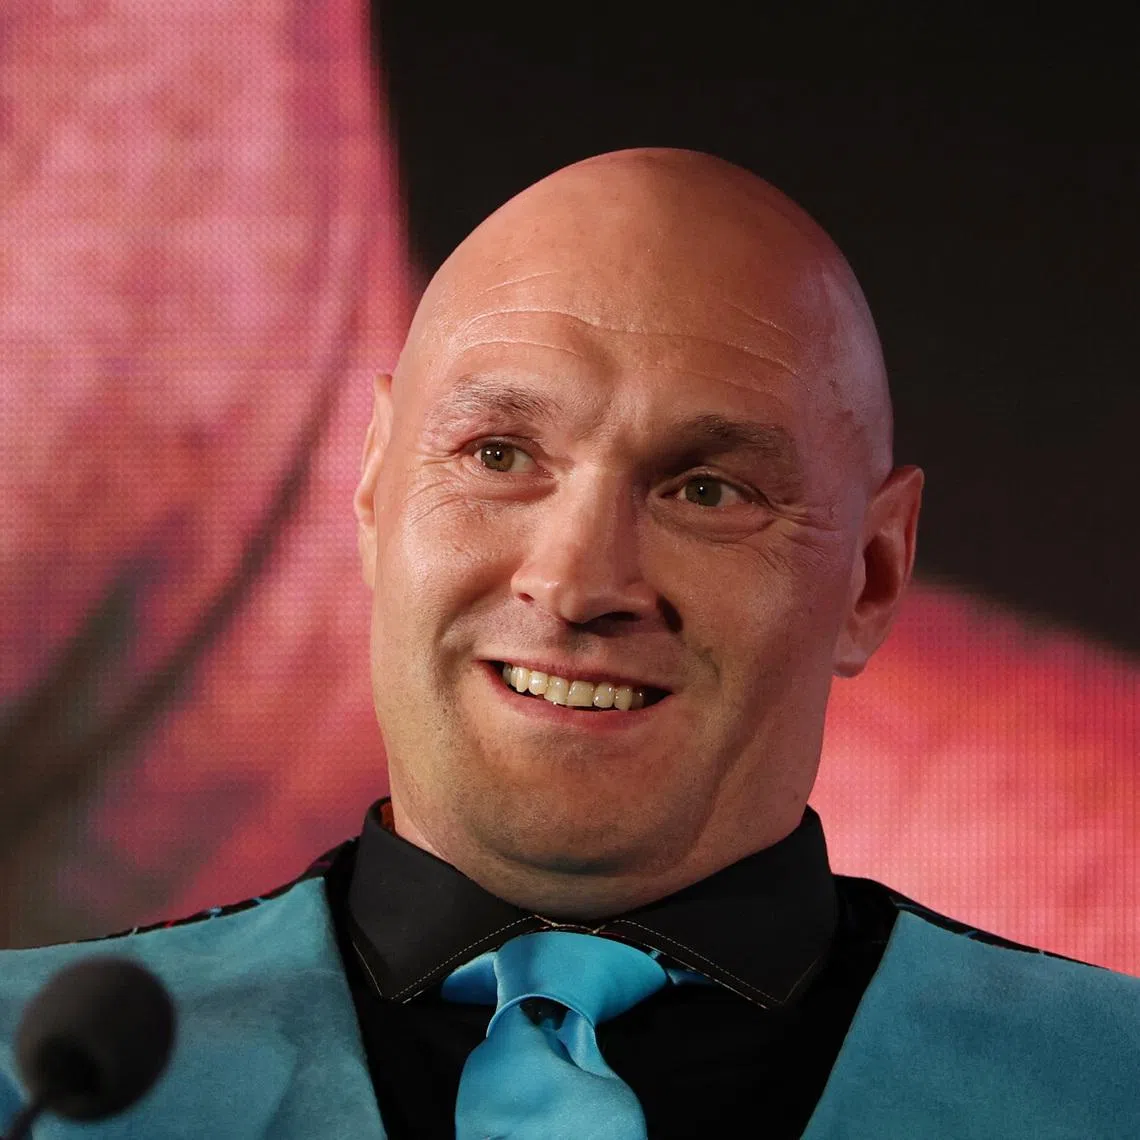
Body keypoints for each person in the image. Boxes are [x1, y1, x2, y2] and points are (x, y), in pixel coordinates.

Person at [1, 148, 1138, 1139]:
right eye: (498, 454)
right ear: (372, 492)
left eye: (706, 487)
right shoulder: (21, 1084)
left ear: (873, 574)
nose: (578, 582)